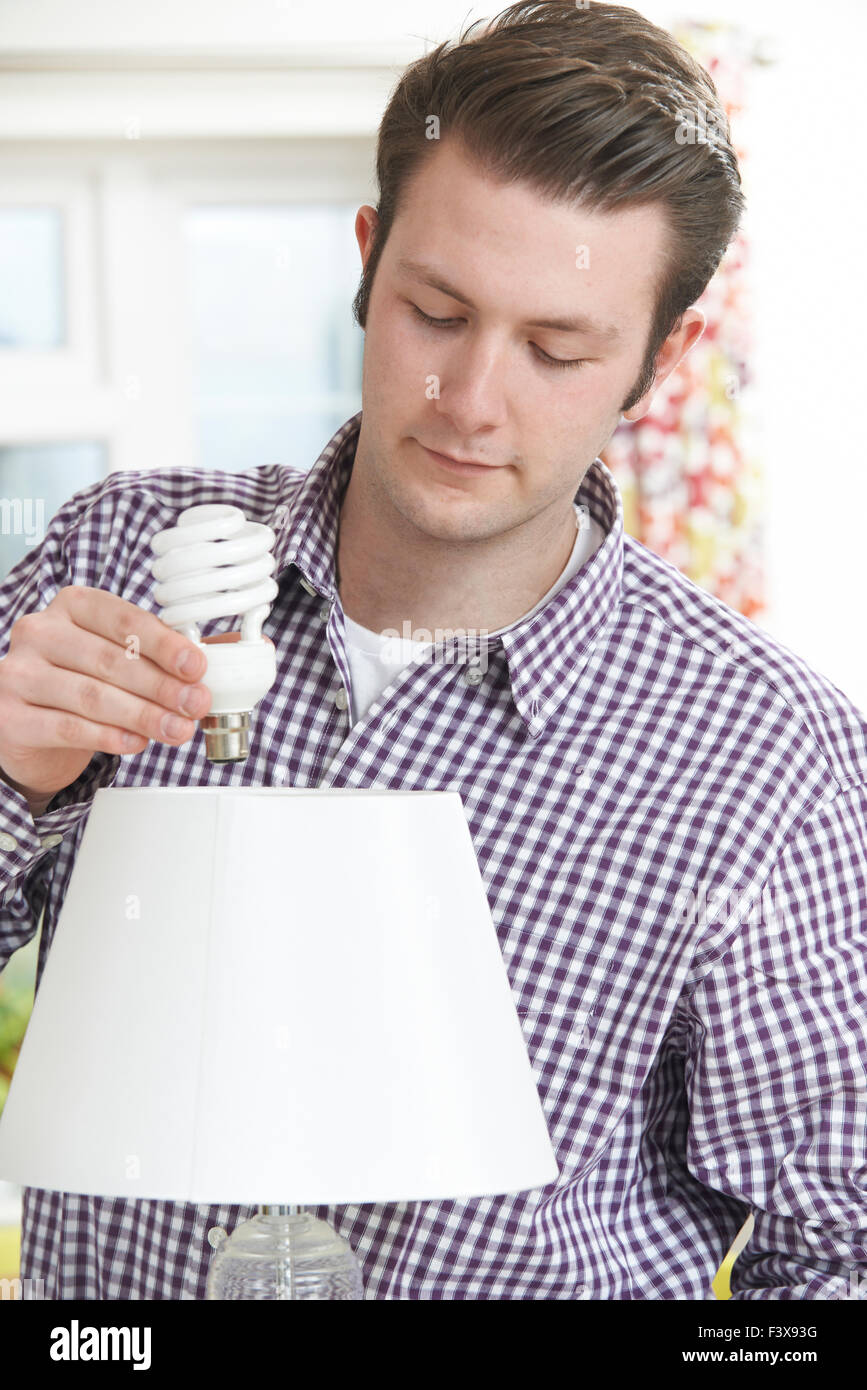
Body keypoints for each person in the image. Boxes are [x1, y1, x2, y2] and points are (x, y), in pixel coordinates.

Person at [1, 0, 865, 1300]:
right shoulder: (121, 559)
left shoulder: (763, 754)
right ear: (366, 258)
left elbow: (834, 1254)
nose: (471, 400)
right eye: (436, 313)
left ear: (658, 361)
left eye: (557, 349)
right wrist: (13, 772)